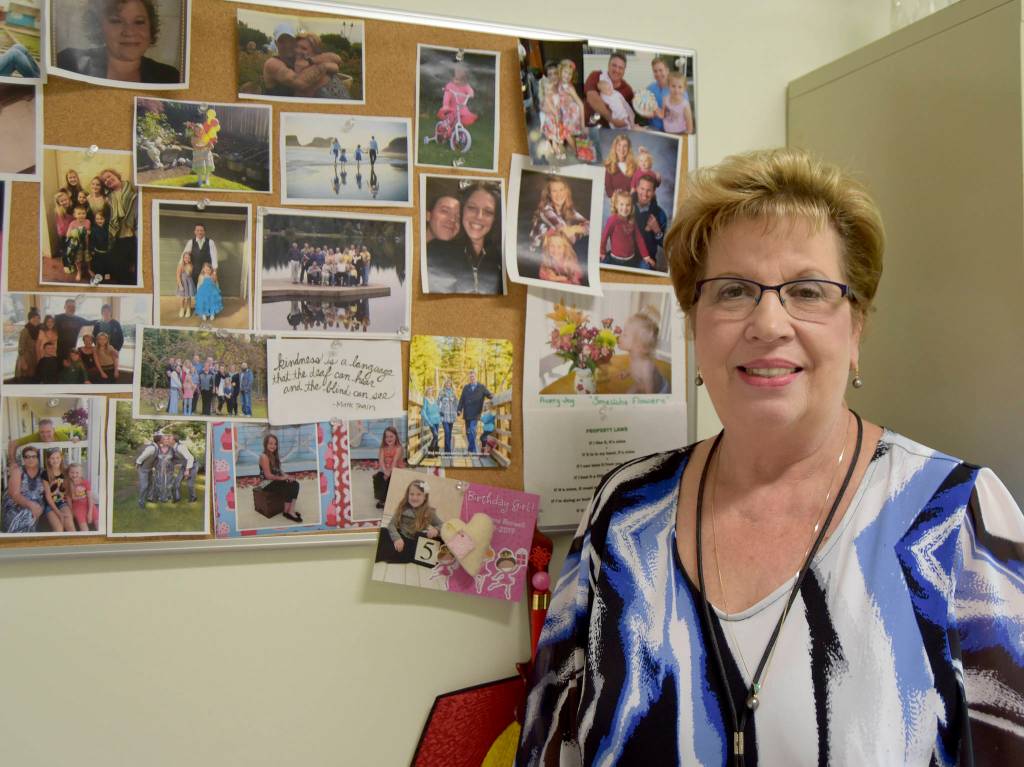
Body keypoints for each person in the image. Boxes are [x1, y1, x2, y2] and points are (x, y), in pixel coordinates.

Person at [518, 147, 1024, 764]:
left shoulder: (957, 520)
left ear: (856, 328)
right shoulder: (623, 512)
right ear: (695, 326)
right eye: (733, 291)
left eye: (807, 291)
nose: (768, 324)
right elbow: (552, 746)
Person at [55, 0, 181, 85]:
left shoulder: (170, 77)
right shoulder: (68, 62)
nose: (129, 32)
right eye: (116, 21)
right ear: (98, 26)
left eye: (139, 22)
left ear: (150, 27)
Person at [426, 182, 503, 294]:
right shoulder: (435, 250)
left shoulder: (500, 258)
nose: (479, 217)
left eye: (488, 212)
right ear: (463, 211)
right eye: (472, 208)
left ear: (495, 218)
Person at [528, 177, 590, 271]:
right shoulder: (546, 211)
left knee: (585, 244)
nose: (559, 194)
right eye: (554, 191)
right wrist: (579, 229)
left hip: (555, 251)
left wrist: (574, 229)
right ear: (549, 194)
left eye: (561, 190)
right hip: (537, 255)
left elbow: (590, 226)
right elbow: (569, 236)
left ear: (566, 191)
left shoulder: (569, 210)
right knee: (581, 249)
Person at [375, 479, 442, 564]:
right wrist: (397, 538)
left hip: (410, 544)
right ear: (408, 495)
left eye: (419, 494)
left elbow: (442, 524)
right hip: (399, 536)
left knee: (389, 548)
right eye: (412, 494)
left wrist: (436, 529)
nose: (414, 497)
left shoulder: (429, 512)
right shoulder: (403, 507)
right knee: (383, 531)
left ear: (425, 497)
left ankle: (377, 556)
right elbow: (391, 524)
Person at [541, 59, 586, 159]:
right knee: (568, 134)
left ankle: (577, 152)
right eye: (565, 72)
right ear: (560, 71)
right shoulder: (559, 82)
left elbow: (580, 104)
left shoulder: (569, 88)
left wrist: (583, 124)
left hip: (571, 114)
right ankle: (576, 149)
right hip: (564, 113)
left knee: (567, 134)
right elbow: (548, 94)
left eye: (570, 74)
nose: (567, 75)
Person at [617, 305, 668, 394]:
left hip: (659, 390)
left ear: (639, 346)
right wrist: (626, 373)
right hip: (641, 384)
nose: (620, 336)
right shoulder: (634, 355)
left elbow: (650, 391)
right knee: (627, 394)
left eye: (625, 335)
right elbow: (633, 366)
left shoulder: (646, 367)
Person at [600, 189, 655, 270]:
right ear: (616, 205)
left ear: (631, 206)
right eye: (621, 204)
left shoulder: (632, 221)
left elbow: (639, 239)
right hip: (615, 260)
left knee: (646, 267)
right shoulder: (612, 220)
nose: (625, 208)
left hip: (631, 259)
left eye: (628, 205)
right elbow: (604, 236)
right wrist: (602, 252)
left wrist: (646, 256)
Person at [101, 168, 137, 285]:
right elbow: (108, 216)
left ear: (116, 175)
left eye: (109, 176)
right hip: (118, 233)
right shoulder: (109, 196)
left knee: (133, 260)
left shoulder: (131, 188)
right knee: (118, 261)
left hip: (132, 230)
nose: (108, 180)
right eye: (105, 180)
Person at [1, 447, 46, 534]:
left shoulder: (43, 472)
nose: (30, 459)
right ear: (23, 459)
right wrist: (30, 505)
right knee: (25, 515)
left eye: (33, 456)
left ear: (38, 458)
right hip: (15, 502)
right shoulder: (18, 471)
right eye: (27, 457)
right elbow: (15, 495)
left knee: (29, 514)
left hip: (37, 501)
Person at [258, 435, 302, 523]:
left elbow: (279, 470)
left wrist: (287, 476)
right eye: (270, 443)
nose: (273, 446)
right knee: (288, 486)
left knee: (295, 483)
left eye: (275, 444)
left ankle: (290, 510)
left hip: (274, 480)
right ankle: (287, 512)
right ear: (265, 444)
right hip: (266, 483)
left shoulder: (274, 455)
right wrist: (283, 478)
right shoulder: (264, 456)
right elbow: (268, 476)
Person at [584, 52, 634, 128]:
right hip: (590, 126)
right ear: (608, 65)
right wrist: (612, 119)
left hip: (614, 131)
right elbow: (592, 98)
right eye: (614, 65)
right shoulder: (596, 76)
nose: (617, 70)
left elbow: (631, 111)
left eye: (620, 68)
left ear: (624, 70)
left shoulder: (627, 90)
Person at [633, 174, 668, 270]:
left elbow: (665, 244)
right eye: (642, 189)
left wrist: (657, 230)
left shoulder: (660, 213)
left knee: (645, 268)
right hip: (627, 255)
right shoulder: (627, 207)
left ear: (653, 192)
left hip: (646, 259)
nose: (645, 194)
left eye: (648, 190)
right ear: (637, 188)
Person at [456, 370, 493, 454]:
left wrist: (492, 396)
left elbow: (488, 394)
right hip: (467, 412)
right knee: (468, 432)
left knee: (472, 429)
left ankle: (472, 450)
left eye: (473, 376)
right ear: (469, 378)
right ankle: (471, 449)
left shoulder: (481, 387)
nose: (472, 378)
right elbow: (462, 399)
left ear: (476, 377)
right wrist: (459, 409)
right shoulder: (466, 387)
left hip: (476, 412)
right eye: (470, 377)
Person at [438, 63, 478, 135]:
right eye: (457, 71)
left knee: (460, 120)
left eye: (460, 71)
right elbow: (447, 95)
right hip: (452, 107)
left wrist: (470, 94)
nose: (457, 81)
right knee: (450, 120)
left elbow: (470, 90)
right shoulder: (450, 85)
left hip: (462, 107)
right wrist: (446, 104)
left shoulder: (465, 85)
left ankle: (459, 133)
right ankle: (443, 129)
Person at [372, 426, 406, 510]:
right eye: (387, 437)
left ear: (396, 437)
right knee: (378, 477)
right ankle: (382, 499)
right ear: (384, 438)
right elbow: (381, 461)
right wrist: (384, 471)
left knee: (391, 479)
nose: (389, 439)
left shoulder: (399, 448)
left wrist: (388, 473)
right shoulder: (382, 448)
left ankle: (390, 499)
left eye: (391, 436)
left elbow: (394, 462)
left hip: (396, 469)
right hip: (385, 469)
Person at [41, 448, 73, 533]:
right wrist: (59, 513)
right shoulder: (45, 474)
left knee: (70, 527)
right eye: (52, 458)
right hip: (49, 505)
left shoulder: (65, 472)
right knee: (59, 529)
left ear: (61, 458)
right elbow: (48, 497)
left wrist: (71, 509)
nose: (55, 460)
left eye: (57, 457)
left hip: (62, 502)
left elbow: (67, 493)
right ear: (48, 460)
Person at [658, 70, 694, 135]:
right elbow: (663, 115)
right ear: (668, 86)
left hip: (680, 133)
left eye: (680, 87)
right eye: (673, 86)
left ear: (684, 88)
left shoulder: (685, 105)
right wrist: (654, 110)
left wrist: (683, 137)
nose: (676, 90)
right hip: (666, 132)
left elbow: (690, 129)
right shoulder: (665, 99)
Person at [65, 463, 97, 532]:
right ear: (68, 473)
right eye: (72, 472)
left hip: (88, 505)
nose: (74, 475)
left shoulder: (85, 482)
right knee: (84, 529)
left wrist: (90, 512)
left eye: (77, 472)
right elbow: (69, 499)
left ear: (81, 473)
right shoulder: (67, 484)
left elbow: (90, 498)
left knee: (99, 524)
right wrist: (71, 510)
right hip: (77, 507)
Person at [604, 133, 636, 199]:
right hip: (617, 203)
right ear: (615, 147)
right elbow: (608, 190)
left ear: (629, 149)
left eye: (625, 146)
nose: (622, 148)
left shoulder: (633, 166)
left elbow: (640, 185)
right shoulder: (609, 166)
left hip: (631, 202)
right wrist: (617, 195)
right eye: (619, 145)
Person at [645, 57, 673, 132]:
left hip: (671, 131)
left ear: (667, 71)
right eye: (655, 71)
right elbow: (644, 108)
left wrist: (659, 112)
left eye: (661, 70)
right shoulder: (649, 89)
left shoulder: (677, 89)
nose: (658, 74)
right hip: (653, 129)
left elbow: (682, 114)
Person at [15, 309, 41, 383]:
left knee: (33, 377)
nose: (36, 320)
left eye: (38, 318)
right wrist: (23, 362)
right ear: (29, 319)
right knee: (26, 378)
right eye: (34, 318)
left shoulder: (38, 329)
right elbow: (21, 347)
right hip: (26, 358)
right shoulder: (25, 331)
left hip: (34, 357)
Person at [437, 379, 457, 454]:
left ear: (451, 385)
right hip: (444, 416)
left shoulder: (453, 393)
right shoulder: (442, 392)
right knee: (447, 432)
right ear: (445, 384)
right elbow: (438, 402)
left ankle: (447, 450)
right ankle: (448, 451)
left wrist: (457, 411)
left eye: (449, 384)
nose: (448, 385)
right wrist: (439, 411)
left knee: (450, 433)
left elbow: (456, 403)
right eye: (447, 383)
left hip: (451, 416)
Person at [421, 386, 441, 455]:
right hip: (431, 421)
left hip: (437, 420)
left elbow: (437, 409)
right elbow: (423, 411)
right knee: (435, 435)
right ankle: (430, 451)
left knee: (436, 436)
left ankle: (436, 452)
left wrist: (440, 415)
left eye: (431, 391)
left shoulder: (433, 399)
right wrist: (428, 421)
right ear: (427, 392)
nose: (430, 392)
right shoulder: (425, 399)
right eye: (429, 391)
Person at [176, 252, 196, 318]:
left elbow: (189, 273)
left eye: (188, 258)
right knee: (182, 298)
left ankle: (188, 309)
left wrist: (188, 268)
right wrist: (180, 285)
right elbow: (178, 276)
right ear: (183, 258)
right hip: (182, 283)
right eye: (185, 257)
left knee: (188, 298)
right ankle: (182, 309)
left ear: (190, 259)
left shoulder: (190, 265)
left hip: (189, 283)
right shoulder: (180, 265)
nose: (187, 259)